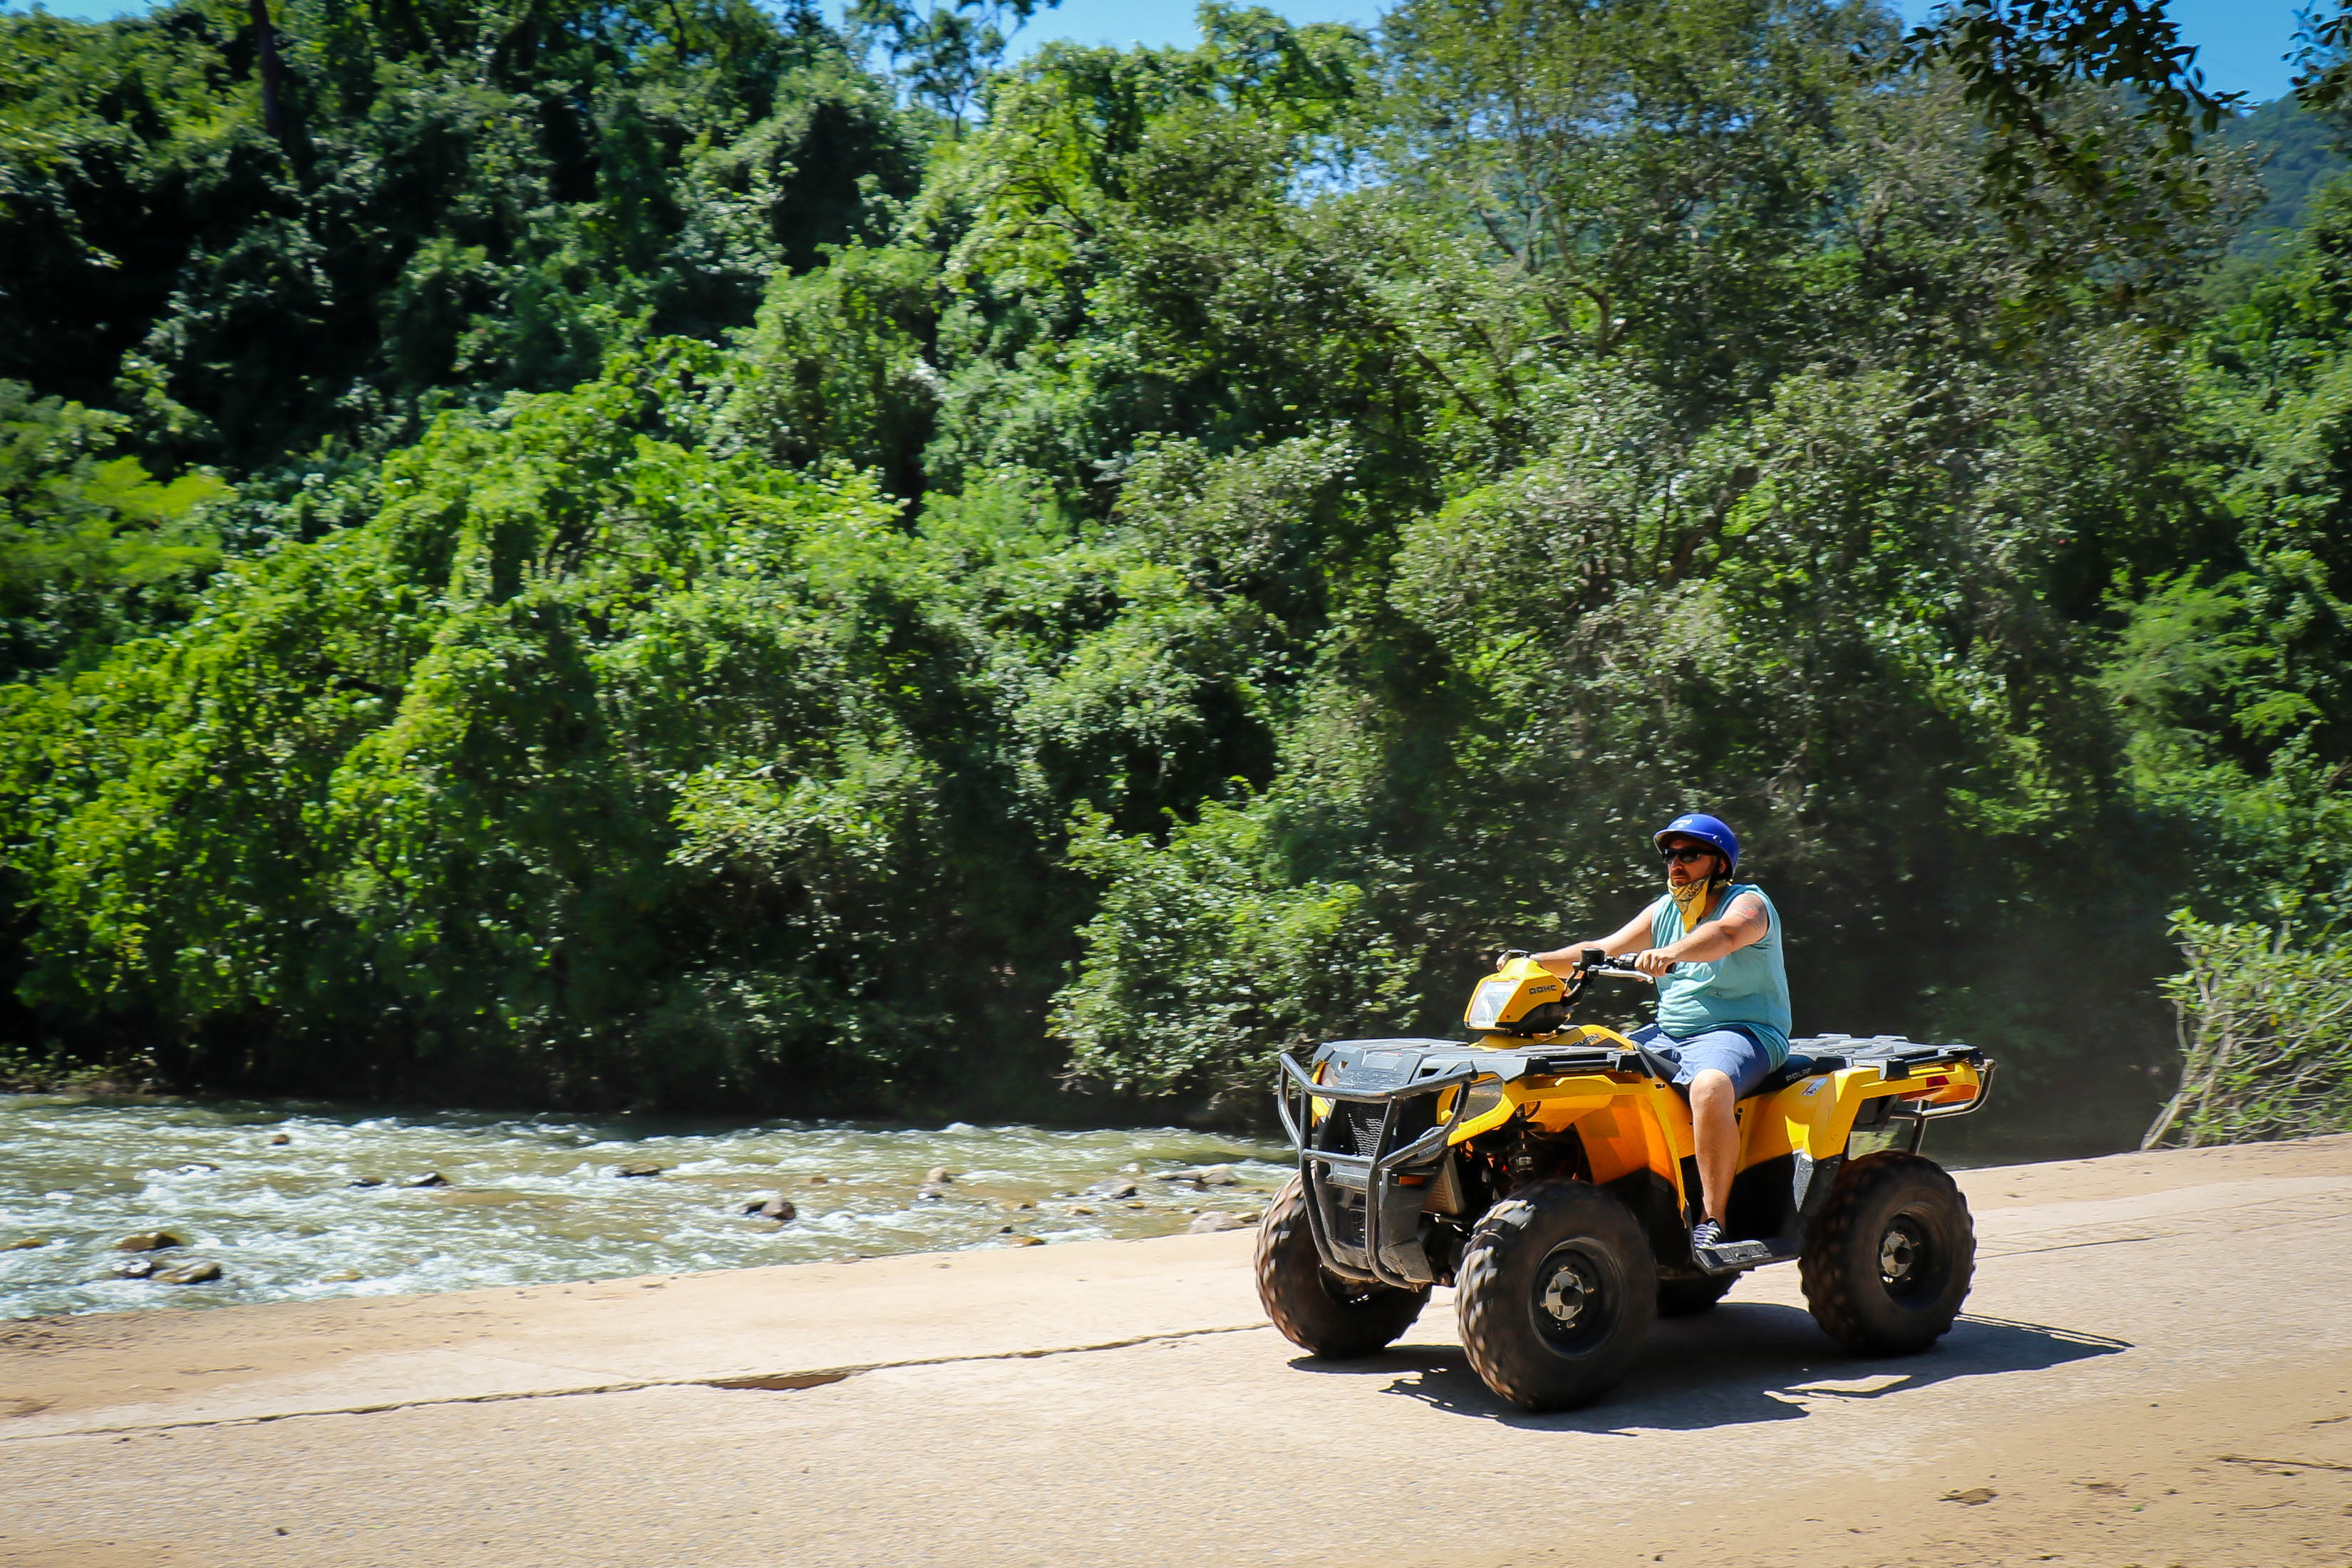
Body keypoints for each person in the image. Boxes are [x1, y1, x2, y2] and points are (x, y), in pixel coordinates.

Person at [1532, 813, 1791, 1257]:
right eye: (1671, 855)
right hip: (1669, 1033)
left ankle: (1714, 1220)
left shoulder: (1749, 904)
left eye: (1691, 855)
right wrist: (1535, 962)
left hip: (1743, 1031)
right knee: (1588, 1067)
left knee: (1710, 1086)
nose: (1676, 863)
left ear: (1721, 864)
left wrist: (1670, 953)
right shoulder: (1666, 910)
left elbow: (1725, 936)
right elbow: (1603, 949)